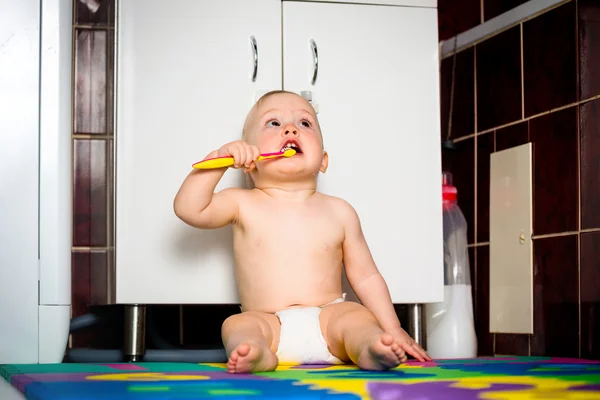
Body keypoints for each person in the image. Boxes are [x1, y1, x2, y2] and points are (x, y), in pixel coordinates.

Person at [173, 90, 431, 374]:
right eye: (273, 123)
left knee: (357, 318)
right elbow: (189, 209)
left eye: (305, 123)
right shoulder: (241, 203)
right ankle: (256, 354)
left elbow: (367, 277)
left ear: (323, 160)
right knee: (236, 325)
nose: (290, 128)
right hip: (269, 323)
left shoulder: (340, 211)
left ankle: (370, 348)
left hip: (329, 317)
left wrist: (392, 327)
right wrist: (220, 159)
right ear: (248, 162)